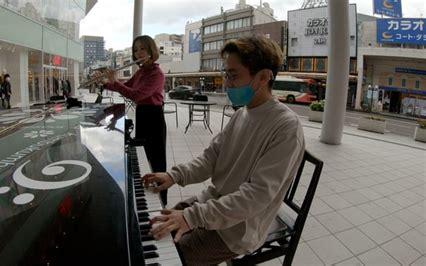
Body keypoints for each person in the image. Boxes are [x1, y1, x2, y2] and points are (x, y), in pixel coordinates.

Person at [142, 36, 305, 265]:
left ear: (264, 77)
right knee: (153, 226)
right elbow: (211, 158)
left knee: (167, 256)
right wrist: (174, 176)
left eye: (233, 75)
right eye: (225, 74)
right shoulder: (242, 114)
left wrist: (191, 217)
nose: (227, 83)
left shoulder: (286, 127)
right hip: (214, 205)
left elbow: (255, 197)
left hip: (238, 229)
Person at [99, 35, 168, 205]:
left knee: (156, 160)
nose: (138, 53)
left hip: (154, 117)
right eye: (136, 49)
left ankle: (162, 201)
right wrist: (105, 82)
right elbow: (127, 85)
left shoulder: (157, 74)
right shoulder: (141, 71)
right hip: (143, 115)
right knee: (143, 158)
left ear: (151, 50)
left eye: (142, 48)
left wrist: (114, 81)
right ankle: (145, 194)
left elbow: (135, 95)